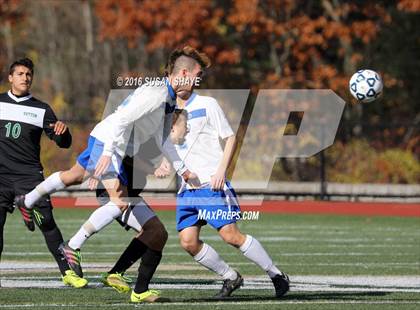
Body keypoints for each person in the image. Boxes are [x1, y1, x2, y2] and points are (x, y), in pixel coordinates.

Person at [15, 46, 210, 296]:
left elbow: (163, 140)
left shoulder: (170, 98)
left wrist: (182, 170)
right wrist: (107, 154)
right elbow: (122, 119)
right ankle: (72, 246)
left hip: (108, 140)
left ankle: (28, 199)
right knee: (119, 201)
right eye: (198, 75)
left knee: (74, 175)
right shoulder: (158, 92)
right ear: (184, 72)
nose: (199, 81)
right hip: (111, 143)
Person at [174, 92, 290, 298]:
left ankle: (276, 275)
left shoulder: (207, 103)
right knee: (188, 242)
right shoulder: (165, 107)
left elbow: (230, 137)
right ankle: (230, 276)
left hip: (211, 186)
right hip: (187, 191)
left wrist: (221, 171)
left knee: (231, 236)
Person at [0, 58, 86, 288]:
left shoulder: (41, 109)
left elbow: (63, 143)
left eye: (28, 74)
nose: (25, 78)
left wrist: (63, 133)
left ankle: (68, 272)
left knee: (46, 223)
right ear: (10, 78)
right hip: (1, 178)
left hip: (29, 177)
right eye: (20, 74)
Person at [98, 110, 187, 303]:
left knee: (157, 234)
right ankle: (120, 276)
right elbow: (128, 157)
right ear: (172, 127)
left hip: (128, 192)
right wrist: (153, 169)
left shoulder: (161, 141)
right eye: (185, 127)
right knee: (156, 231)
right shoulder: (150, 136)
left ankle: (136, 288)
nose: (187, 132)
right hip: (116, 191)